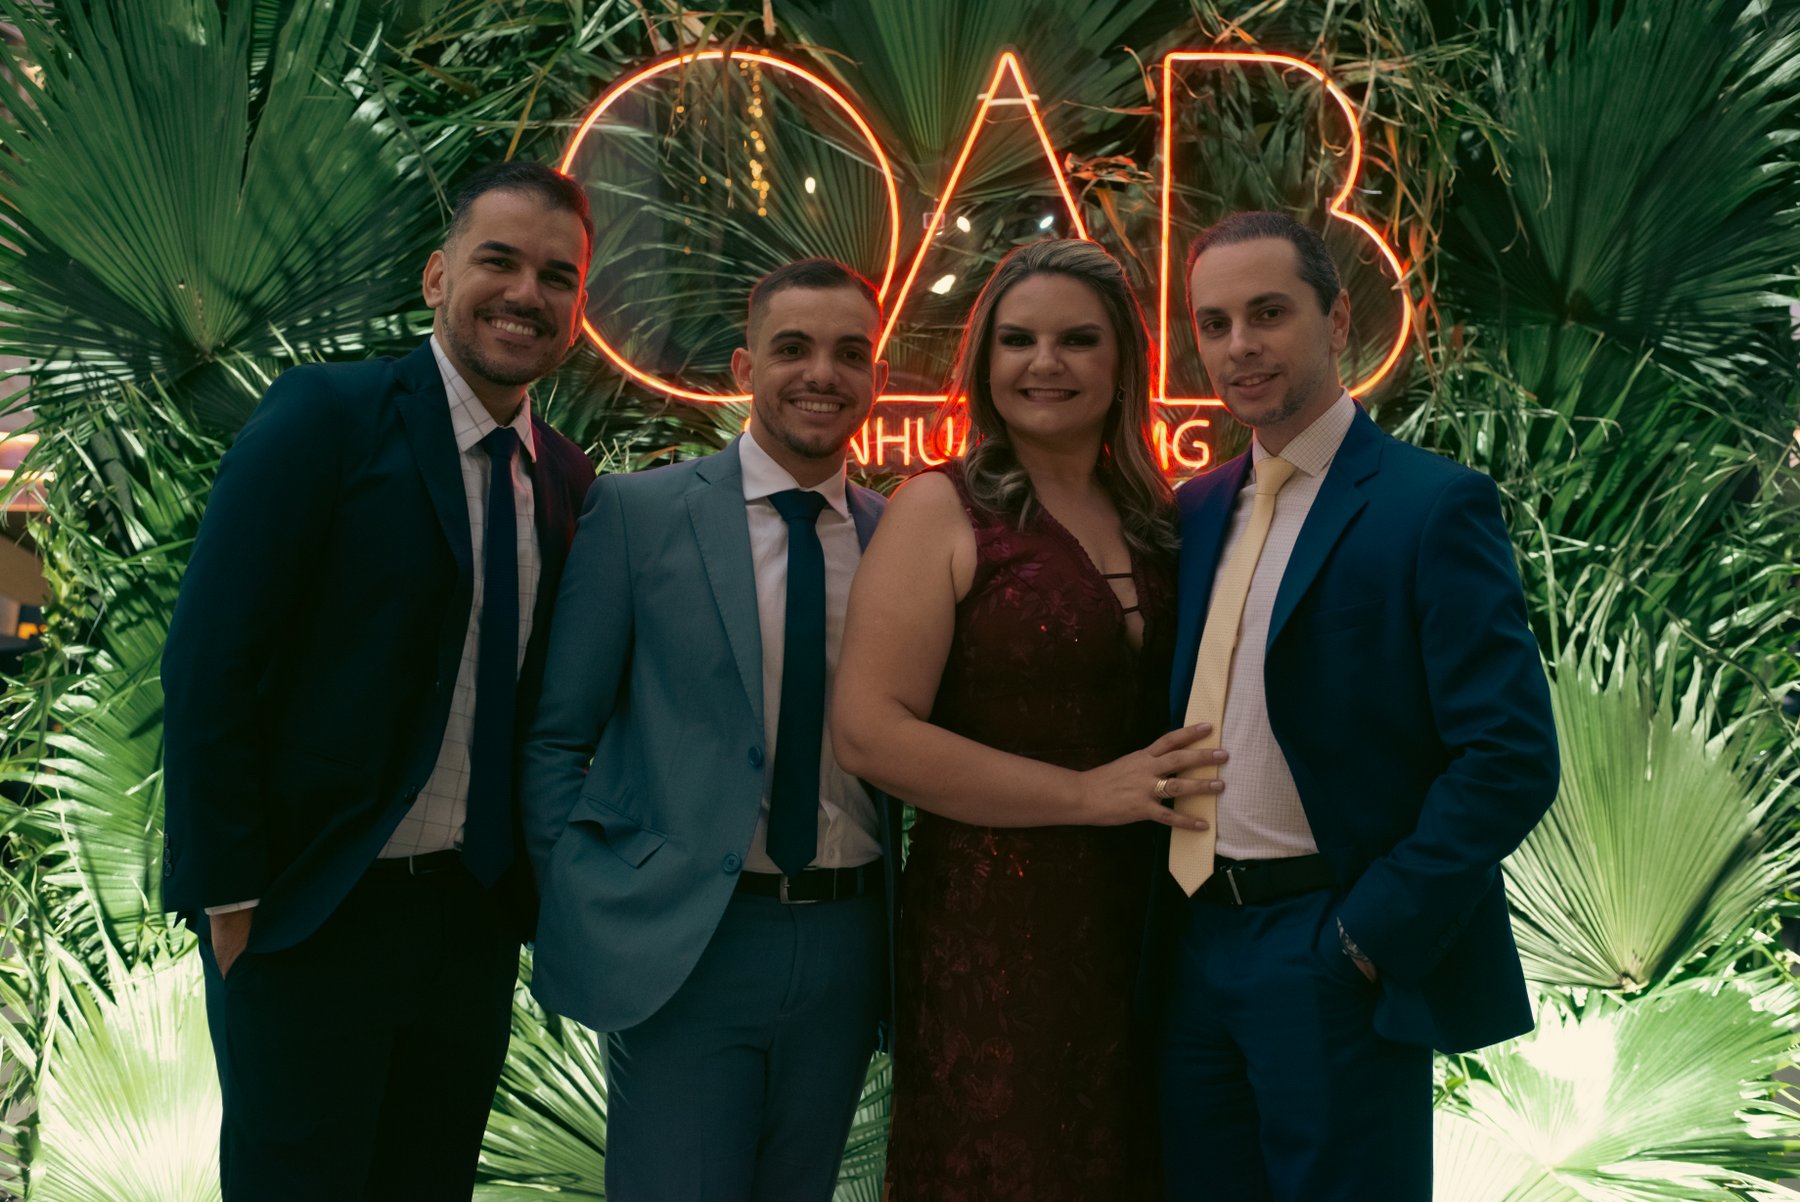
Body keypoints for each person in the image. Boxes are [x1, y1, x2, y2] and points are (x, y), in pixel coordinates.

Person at [161, 160, 598, 1200]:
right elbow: (212, 657)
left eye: (558, 276)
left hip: (469, 924)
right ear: (437, 276)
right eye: (498, 261)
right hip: (313, 910)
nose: (526, 293)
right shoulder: (329, 415)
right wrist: (232, 898)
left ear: (579, 307)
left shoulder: (566, 478)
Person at [1153, 210, 1559, 1201]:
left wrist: (1366, 937)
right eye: (1214, 323)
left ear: (1336, 319)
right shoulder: (1194, 511)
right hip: (1190, 946)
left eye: (1268, 313)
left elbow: (1508, 754)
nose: (1239, 346)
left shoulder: (1431, 504)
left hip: (1326, 947)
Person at [833, 239, 1223, 1202]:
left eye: (1077, 339)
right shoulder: (939, 507)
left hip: (1153, 924)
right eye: (1017, 340)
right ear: (984, 362)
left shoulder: (1162, 516)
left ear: (1124, 360)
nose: (1045, 363)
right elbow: (871, 731)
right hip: (993, 930)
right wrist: (1087, 795)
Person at [521, 258, 899, 1202]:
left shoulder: (899, 537)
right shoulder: (639, 513)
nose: (822, 374)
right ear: (744, 367)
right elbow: (557, 737)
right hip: (687, 939)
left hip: (850, 940)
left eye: (850, 354)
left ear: (877, 377)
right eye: (793, 348)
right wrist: (587, 890)